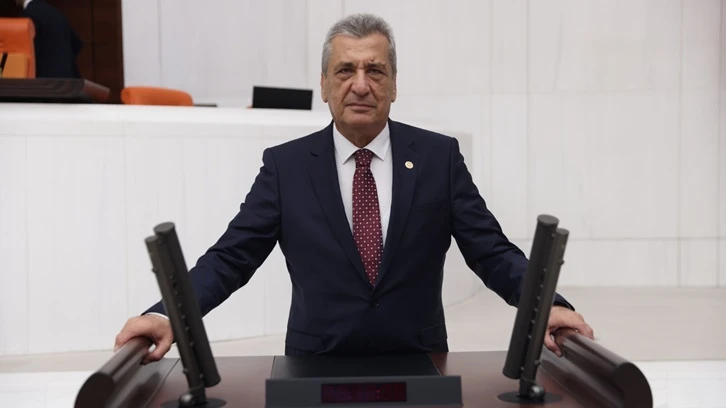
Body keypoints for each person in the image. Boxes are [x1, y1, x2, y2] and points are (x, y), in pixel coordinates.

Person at [115, 13, 594, 363]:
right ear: (325, 84)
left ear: (394, 85)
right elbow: (230, 258)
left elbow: (491, 251)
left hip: (420, 362)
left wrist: (546, 305)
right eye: (345, 71)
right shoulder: (286, 167)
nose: (360, 85)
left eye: (375, 71)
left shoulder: (438, 158)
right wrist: (166, 314)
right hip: (315, 365)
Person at [16, 0, 83, 78]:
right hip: (69, 78)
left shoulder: (28, 14)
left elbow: (24, 52)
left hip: (44, 80)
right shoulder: (57, 13)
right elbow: (76, 44)